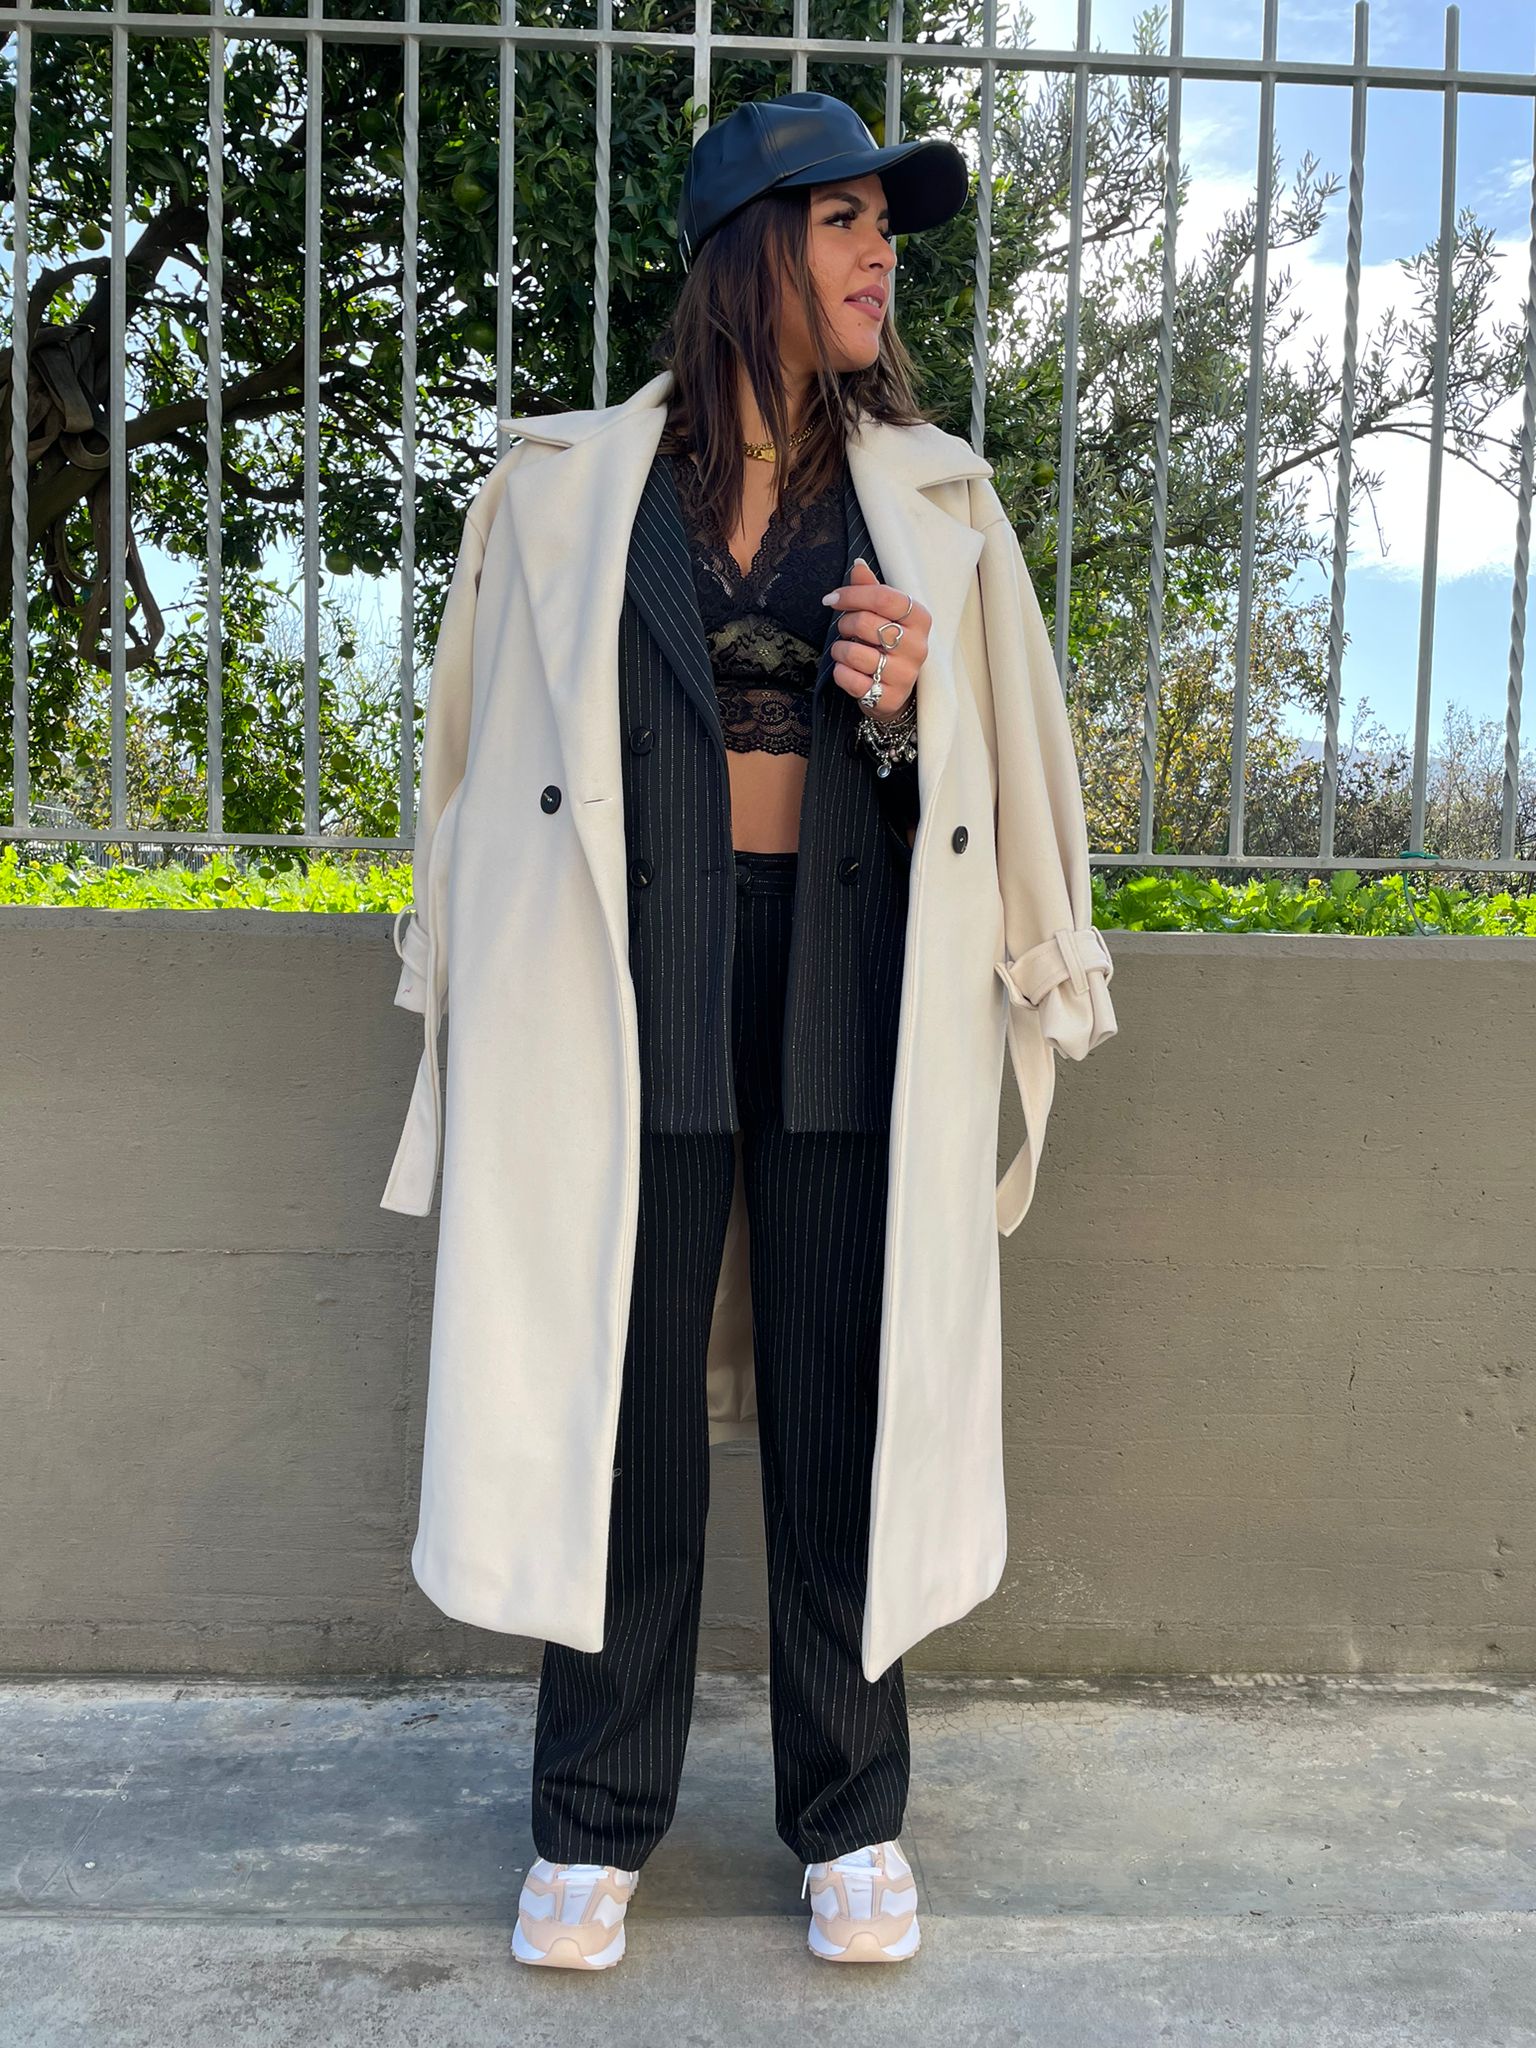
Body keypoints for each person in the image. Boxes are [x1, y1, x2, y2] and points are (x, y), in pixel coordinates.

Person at [511, 89, 973, 1972]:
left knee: (839, 1394)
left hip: (848, 959)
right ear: (747, 252)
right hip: (646, 964)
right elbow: (501, 762)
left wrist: (909, 706)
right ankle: (596, 1810)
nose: (880, 257)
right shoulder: (585, 488)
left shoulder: (928, 492)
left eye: (887, 226)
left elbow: (981, 803)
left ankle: (850, 1809)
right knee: (622, 1402)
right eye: (842, 219)